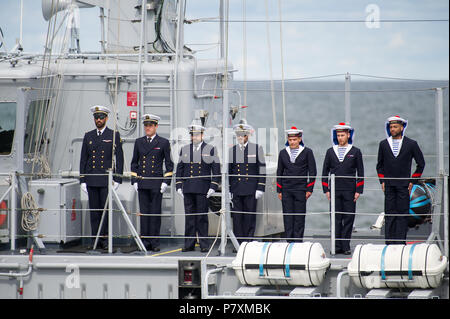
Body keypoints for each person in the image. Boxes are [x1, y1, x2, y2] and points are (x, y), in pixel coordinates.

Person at [80, 105, 124, 249]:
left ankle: (105, 241)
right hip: (91, 179)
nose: (98, 120)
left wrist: (118, 179)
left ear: (106, 118)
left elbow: (120, 158)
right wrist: (82, 180)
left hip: (106, 180)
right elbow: (83, 159)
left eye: (101, 117)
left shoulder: (113, 135)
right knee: (94, 212)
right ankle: (95, 240)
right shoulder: (89, 135)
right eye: (96, 117)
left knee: (105, 212)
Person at [376, 115, 425, 245]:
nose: (392, 129)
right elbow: (379, 166)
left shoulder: (411, 144)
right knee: (390, 214)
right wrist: (382, 181)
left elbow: (421, 164)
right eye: (391, 127)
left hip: (404, 185)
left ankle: (400, 242)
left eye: (395, 126)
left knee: (402, 215)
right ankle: (389, 242)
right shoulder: (383, 144)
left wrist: (412, 181)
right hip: (389, 185)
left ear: (402, 127)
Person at [130, 114, 174, 252]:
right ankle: (145, 242)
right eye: (146, 126)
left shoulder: (163, 143)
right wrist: (134, 180)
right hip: (142, 183)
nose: (147, 128)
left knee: (155, 213)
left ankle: (154, 242)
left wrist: (166, 182)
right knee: (144, 214)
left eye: (150, 126)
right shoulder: (139, 142)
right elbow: (134, 163)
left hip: (156, 183)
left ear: (156, 126)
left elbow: (169, 164)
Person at [175, 120, 220, 252]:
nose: (194, 137)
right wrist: (178, 186)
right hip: (188, 188)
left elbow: (215, 170)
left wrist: (213, 186)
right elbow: (180, 169)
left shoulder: (210, 149)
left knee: (202, 217)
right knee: (189, 218)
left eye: (196, 134)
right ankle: (189, 244)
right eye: (192, 135)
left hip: (202, 189)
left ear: (202, 135)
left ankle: (204, 244)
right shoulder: (185, 150)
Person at [322, 123, 364, 255]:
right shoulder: (330, 151)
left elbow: (361, 172)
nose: (340, 138)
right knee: (335, 217)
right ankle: (336, 245)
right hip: (334, 190)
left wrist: (359, 190)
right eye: (338, 135)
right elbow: (324, 172)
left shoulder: (355, 151)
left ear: (348, 135)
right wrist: (326, 190)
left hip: (350, 190)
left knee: (348, 217)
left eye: (342, 135)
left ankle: (346, 245)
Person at [276, 126, 316, 242]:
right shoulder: (283, 153)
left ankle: (298, 240)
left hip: (301, 189)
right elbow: (279, 172)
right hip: (286, 189)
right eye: (290, 140)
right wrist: (279, 190)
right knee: (287, 216)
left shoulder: (307, 152)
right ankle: (289, 240)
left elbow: (312, 172)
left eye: (294, 140)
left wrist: (310, 189)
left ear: (299, 139)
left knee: (299, 216)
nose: (292, 142)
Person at [228, 120, 266, 244]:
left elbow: (262, 169)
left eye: (242, 135)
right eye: (238, 135)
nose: (240, 137)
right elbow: (229, 171)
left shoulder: (256, 148)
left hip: (251, 188)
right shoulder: (232, 150)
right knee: (237, 217)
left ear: (247, 135)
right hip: (237, 189)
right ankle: (238, 243)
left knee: (249, 216)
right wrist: (228, 189)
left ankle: (248, 241)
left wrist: (260, 187)